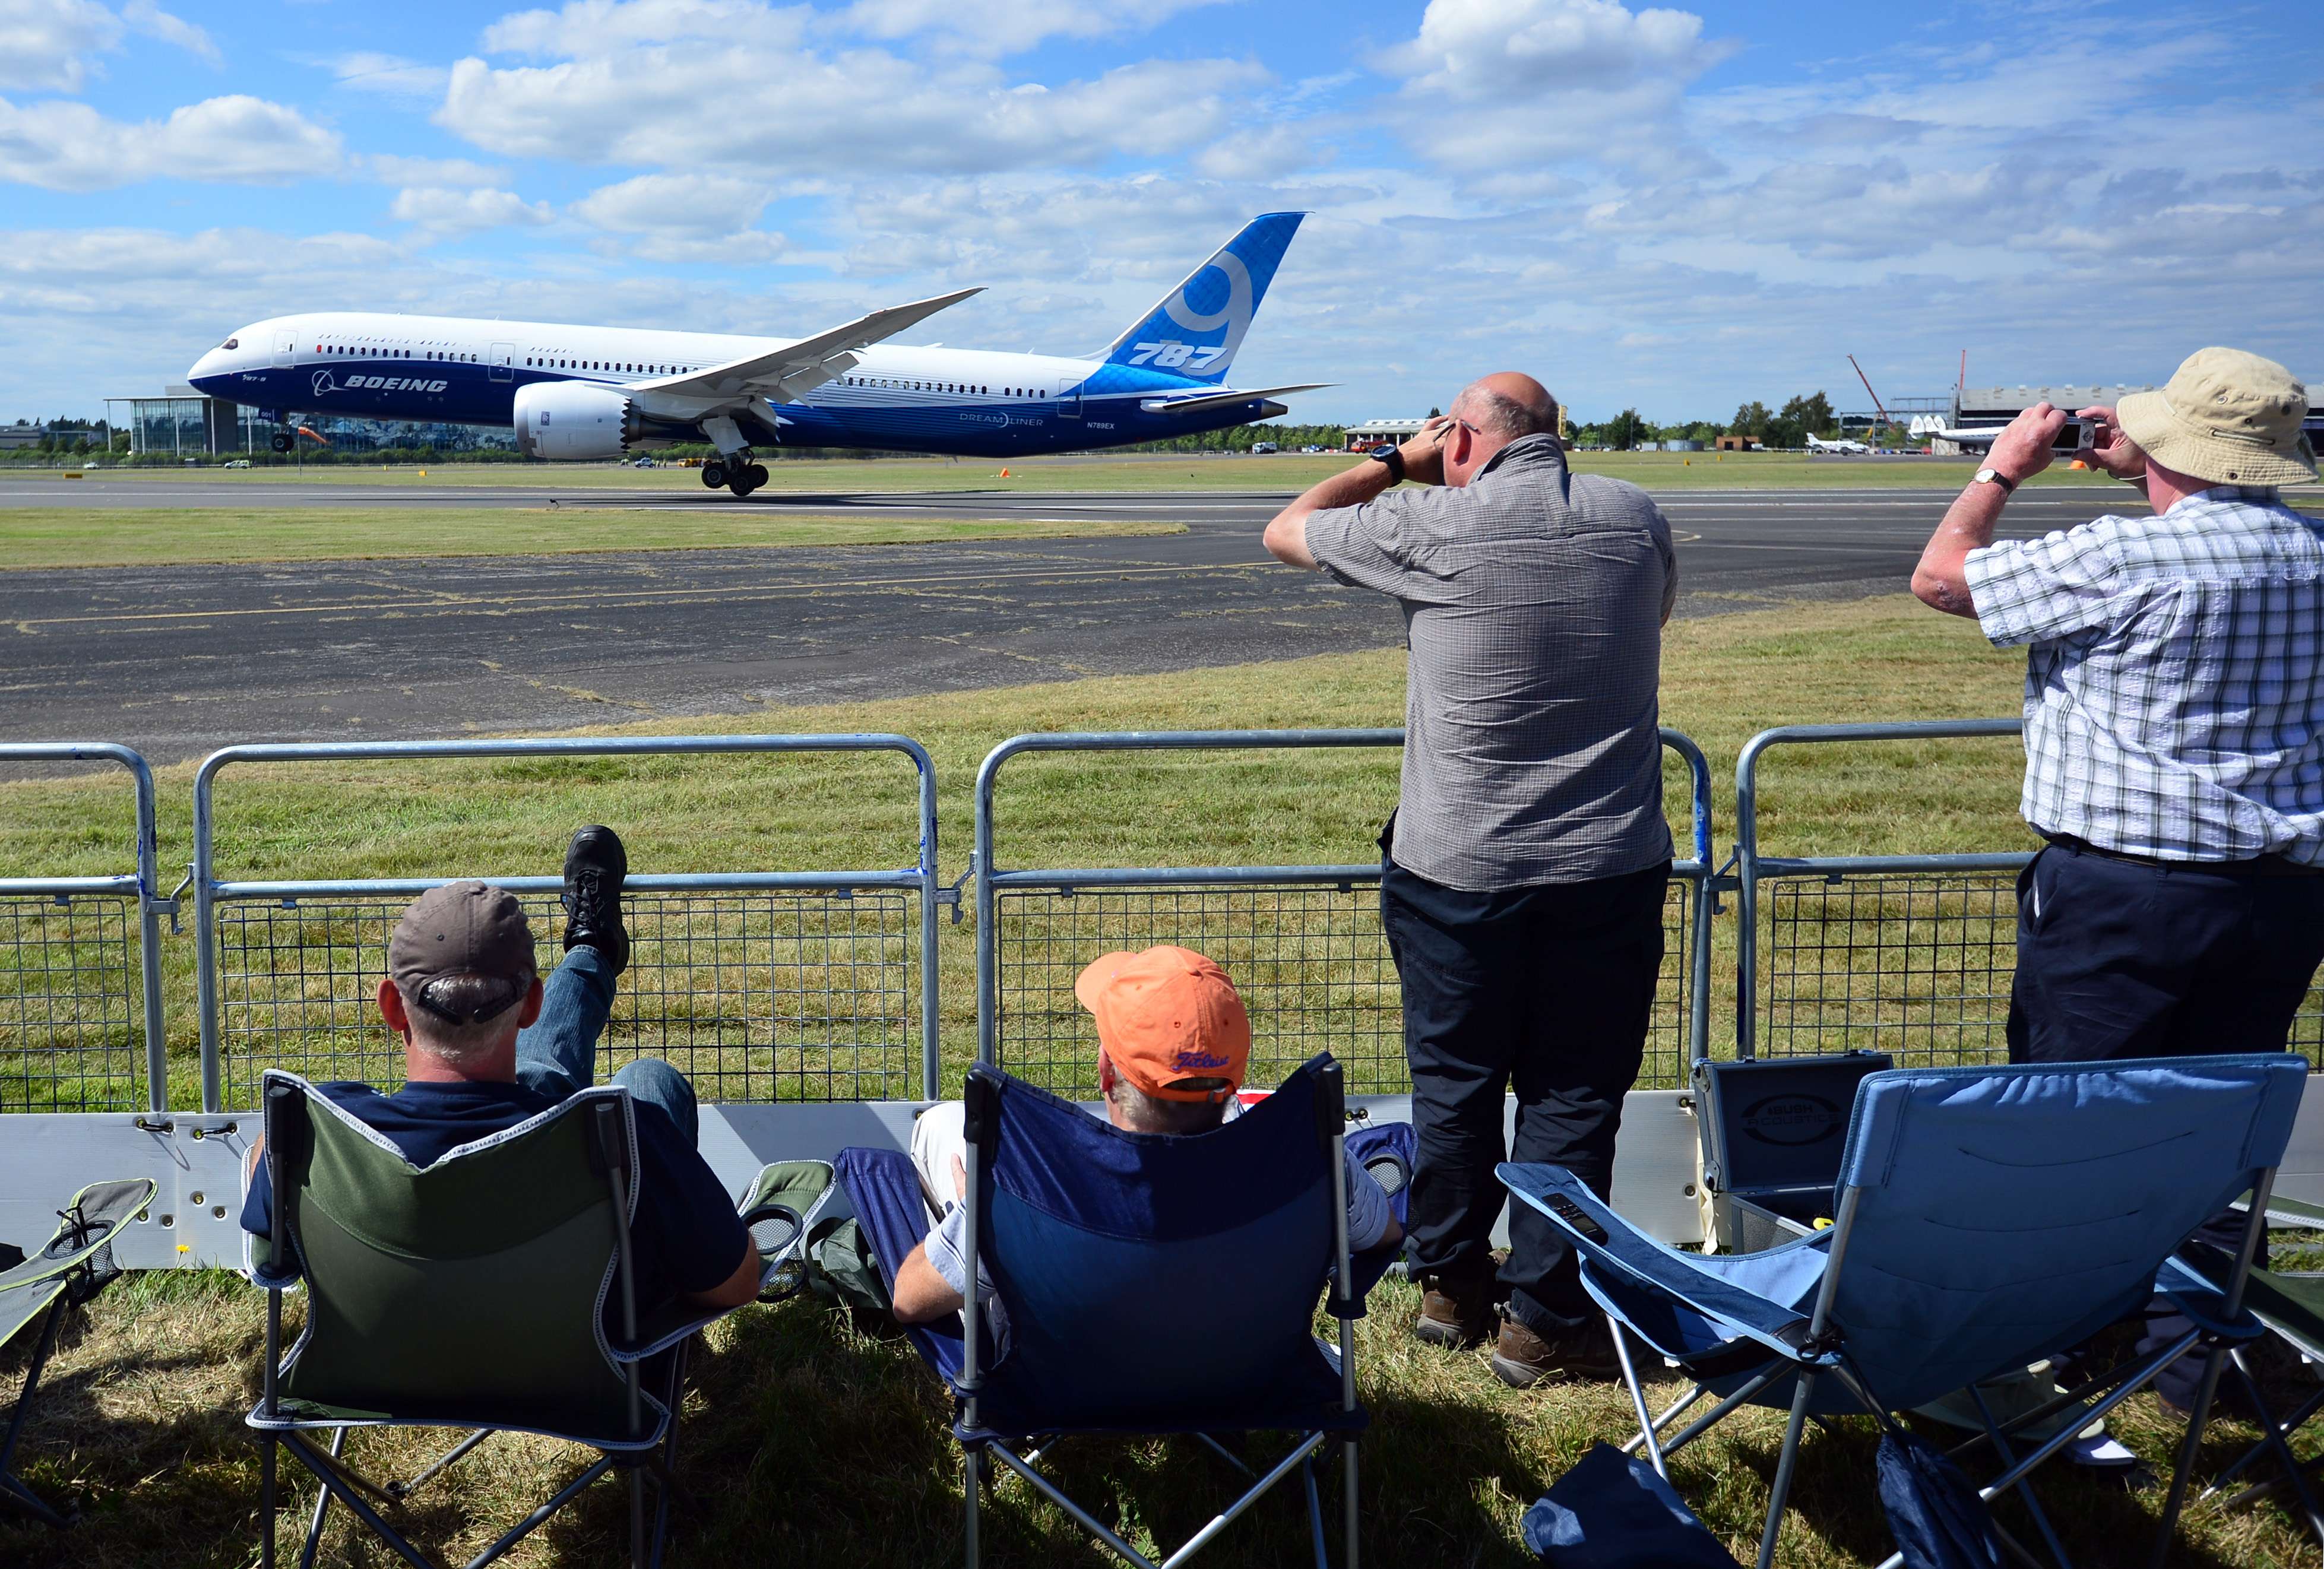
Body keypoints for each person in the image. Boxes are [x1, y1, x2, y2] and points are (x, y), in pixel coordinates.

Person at [1911, 346, 2322, 1409]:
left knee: (2073, 1122)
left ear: (2166, 444)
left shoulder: (2127, 556)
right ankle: (2201, 1341)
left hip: (2122, 892)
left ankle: (2074, 1337)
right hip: (2274, 890)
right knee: (2212, 1118)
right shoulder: (2310, 555)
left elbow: (1940, 576)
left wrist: (2002, 468)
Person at [1261, 374, 1677, 1387]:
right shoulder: (1634, 518)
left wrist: (1393, 462)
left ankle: (1449, 1284)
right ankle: (1542, 1313)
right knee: (1573, 1093)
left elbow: (1288, 528)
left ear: (1461, 438)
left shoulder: (1430, 520)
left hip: (1457, 863)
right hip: (1603, 859)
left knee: (1453, 1083)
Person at [241, 828, 761, 1317]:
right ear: (532, 1004)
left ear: (393, 1008)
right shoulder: (630, 1130)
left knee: (542, 1078)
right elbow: (733, 1284)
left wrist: (289, 1132)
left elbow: (271, 1258)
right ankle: (592, 949)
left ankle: (592, 951)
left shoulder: (316, 1128)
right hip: (587, 1368)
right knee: (648, 1079)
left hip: (383, 1370)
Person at [889, 944, 1400, 1333]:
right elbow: (1383, 1234)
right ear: (1233, 1078)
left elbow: (910, 1299)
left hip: (1064, 1387)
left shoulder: (1025, 1189)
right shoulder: (1310, 1159)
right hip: (1242, 1379)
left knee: (939, 1126)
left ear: (1107, 1072)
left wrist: (970, 1210)